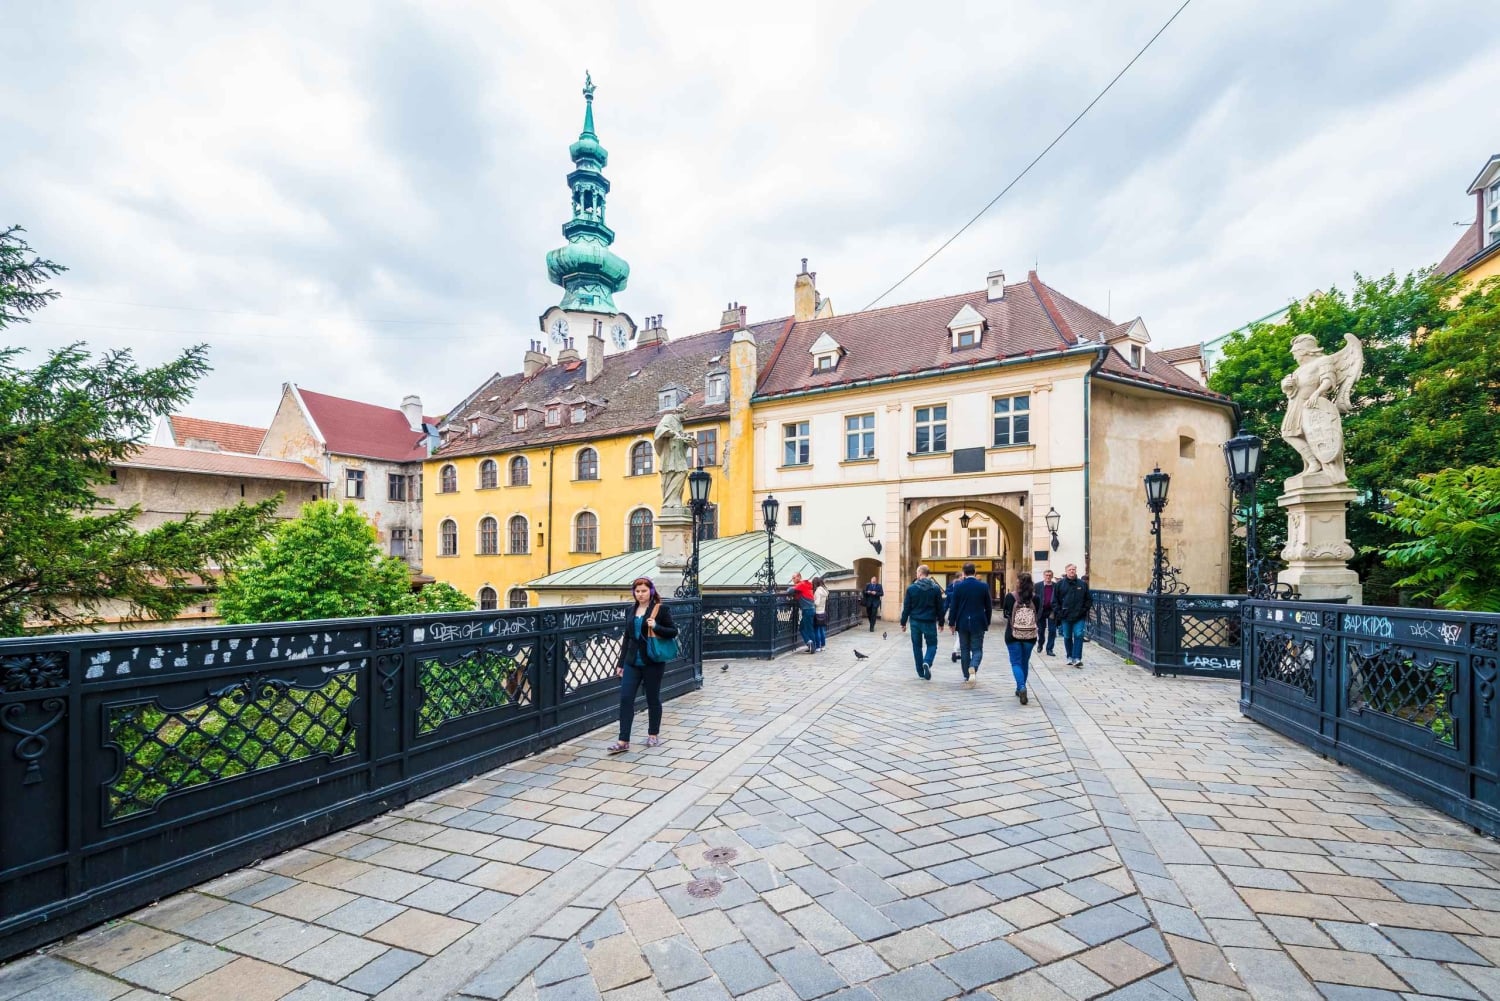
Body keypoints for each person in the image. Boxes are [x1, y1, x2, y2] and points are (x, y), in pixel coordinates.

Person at [608, 577, 679, 754]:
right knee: (625, 699)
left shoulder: (660, 609)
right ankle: (623, 741)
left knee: (652, 698)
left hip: (652, 662)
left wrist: (655, 626)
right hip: (632, 662)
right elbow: (627, 637)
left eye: (644, 591)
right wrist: (620, 663)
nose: (640, 594)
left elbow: (673, 631)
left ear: (651, 591)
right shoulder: (630, 610)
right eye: (637, 591)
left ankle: (653, 734)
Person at [946, 562, 993, 688]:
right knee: (977, 649)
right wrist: (987, 621)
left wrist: (951, 622)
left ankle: (967, 675)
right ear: (975, 572)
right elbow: (989, 606)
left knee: (965, 649)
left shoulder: (959, 587)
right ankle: (973, 666)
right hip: (978, 622)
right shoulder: (983, 586)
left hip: (962, 622)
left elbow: (954, 607)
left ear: (963, 573)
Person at [899, 565, 945, 679]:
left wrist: (903, 622)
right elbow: (940, 607)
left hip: (915, 622)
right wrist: (941, 622)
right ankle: (927, 662)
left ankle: (920, 671)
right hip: (929, 622)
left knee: (917, 646)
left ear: (920, 573)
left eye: (916, 572)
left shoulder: (911, 588)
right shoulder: (935, 589)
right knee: (932, 644)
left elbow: (907, 608)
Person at [1005, 572, 1044, 704]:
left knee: (1016, 662)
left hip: (1013, 634)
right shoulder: (1036, 598)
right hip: (1030, 635)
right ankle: (1019, 687)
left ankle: (1021, 687)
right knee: (1024, 662)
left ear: (1018, 583)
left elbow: (1006, 614)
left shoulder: (1010, 597)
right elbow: (1038, 613)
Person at [1054, 563, 1092, 668]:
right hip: (1065, 616)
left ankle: (1077, 658)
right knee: (1067, 636)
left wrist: (1084, 610)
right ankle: (1069, 656)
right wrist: (1059, 612)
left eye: (1074, 569)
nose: (1072, 571)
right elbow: (1055, 600)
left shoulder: (1082, 584)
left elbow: (1088, 599)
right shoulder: (1060, 585)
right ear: (1066, 571)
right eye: (1070, 569)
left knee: (1079, 635)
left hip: (1079, 615)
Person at [789, 572, 817, 653]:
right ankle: (811, 645)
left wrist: (794, 588)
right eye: (792, 578)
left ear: (799, 577)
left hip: (807, 610)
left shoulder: (801, 584)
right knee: (804, 628)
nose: (793, 579)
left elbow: (790, 590)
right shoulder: (805, 584)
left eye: (794, 577)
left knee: (808, 629)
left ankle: (811, 644)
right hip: (810, 609)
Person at [1036, 569, 1059, 657]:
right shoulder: (1038, 586)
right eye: (1046, 575)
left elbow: (1059, 598)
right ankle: (1040, 643)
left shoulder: (1056, 586)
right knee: (1041, 630)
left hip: (1051, 611)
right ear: (1044, 576)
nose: (1048, 577)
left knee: (1052, 630)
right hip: (1041, 611)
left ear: (1052, 576)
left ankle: (1049, 649)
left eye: (1050, 575)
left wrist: (1055, 610)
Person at [945, 577, 962, 664]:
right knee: (960, 636)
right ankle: (955, 651)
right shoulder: (962, 594)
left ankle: (958, 652)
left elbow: (949, 607)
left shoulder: (951, 594)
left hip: (954, 617)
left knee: (958, 635)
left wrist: (950, 621)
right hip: (961, 618)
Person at [811, 576, 829, 651]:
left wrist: (812, 600)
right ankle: (823, 645)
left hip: (817, 613)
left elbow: (817, 603)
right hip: (823, 612)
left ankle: (818, 646)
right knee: (822, 630)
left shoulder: (818, 591)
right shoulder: (824, 590)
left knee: (816, 630)